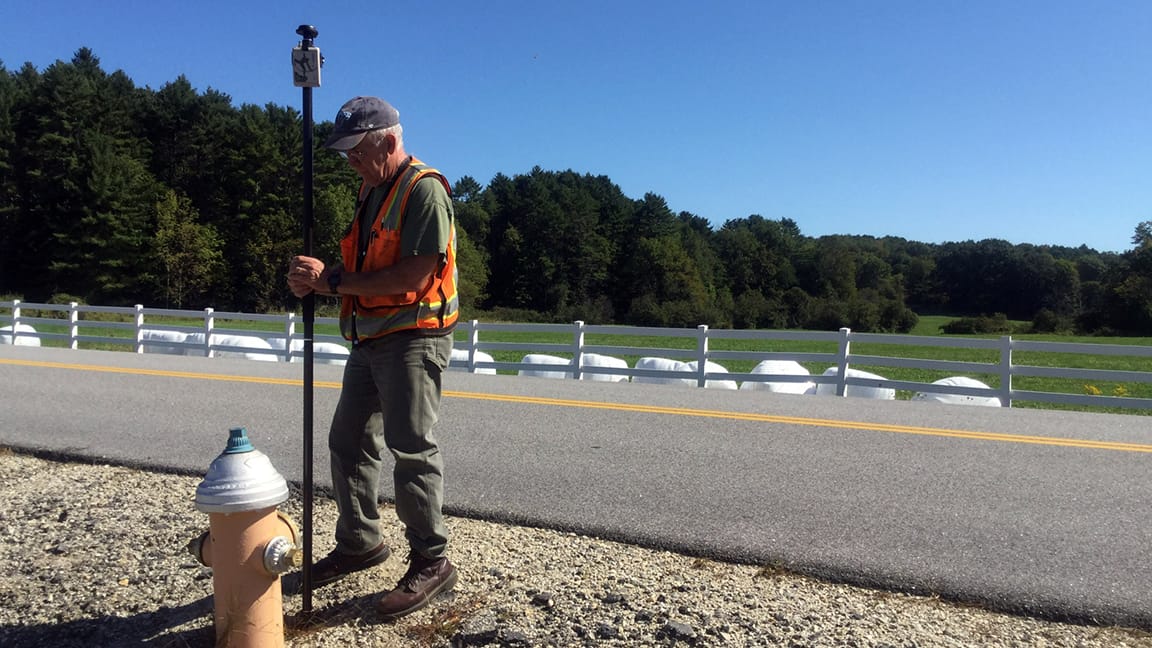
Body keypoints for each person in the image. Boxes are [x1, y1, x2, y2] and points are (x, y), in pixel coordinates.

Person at [286, 96, 459, 620]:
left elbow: (411, 276)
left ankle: (433, 560)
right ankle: (361, 542)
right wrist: (312, 280)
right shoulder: (373, 187)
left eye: (357, 151)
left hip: (413, 337)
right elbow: (362, 262)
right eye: (345, 154)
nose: (350, 162)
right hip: (369, 337)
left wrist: (332, 283)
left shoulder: (424, 190)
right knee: (348, 440)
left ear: (387, 141)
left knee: (411, 449)